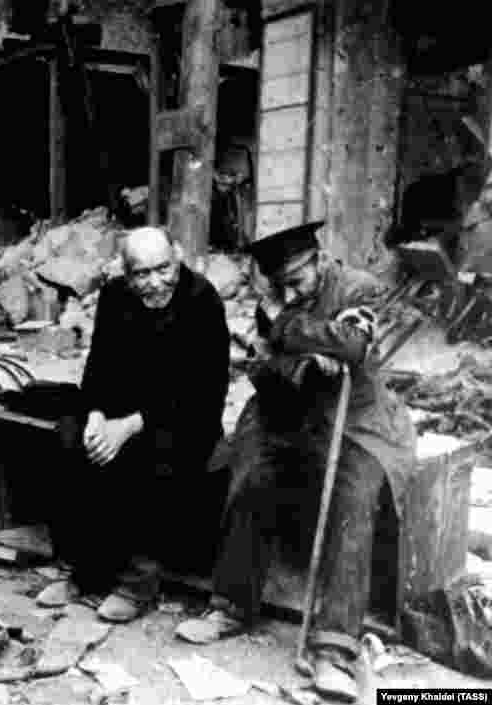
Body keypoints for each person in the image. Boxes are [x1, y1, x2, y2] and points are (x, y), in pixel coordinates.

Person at [176, 221, 416, 702]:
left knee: (354, 496)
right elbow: (262, 362)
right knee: (251, 474)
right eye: (280, 285)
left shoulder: (358, 288)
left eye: (298, 282)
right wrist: (302, 359)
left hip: (357, 421)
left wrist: (290, 327)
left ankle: (334, 649)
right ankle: (232, 604)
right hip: (287, 409)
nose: (289, 292)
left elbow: (352, 346)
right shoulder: (272, 295)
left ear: (318, 261)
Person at [36, 226, 231, 623]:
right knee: (72, 441)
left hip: (185, 417)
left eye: (163, 269)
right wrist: (95, 414)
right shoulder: (115, 296)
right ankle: (87, 573)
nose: (155, 282)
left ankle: (138, 583)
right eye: (142, 274)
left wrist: (129, 426)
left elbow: (202, 390)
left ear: (177, 259)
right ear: (126, 274)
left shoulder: (202, 300)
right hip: (120, 411)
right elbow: (101, 365)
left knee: (152, 455)